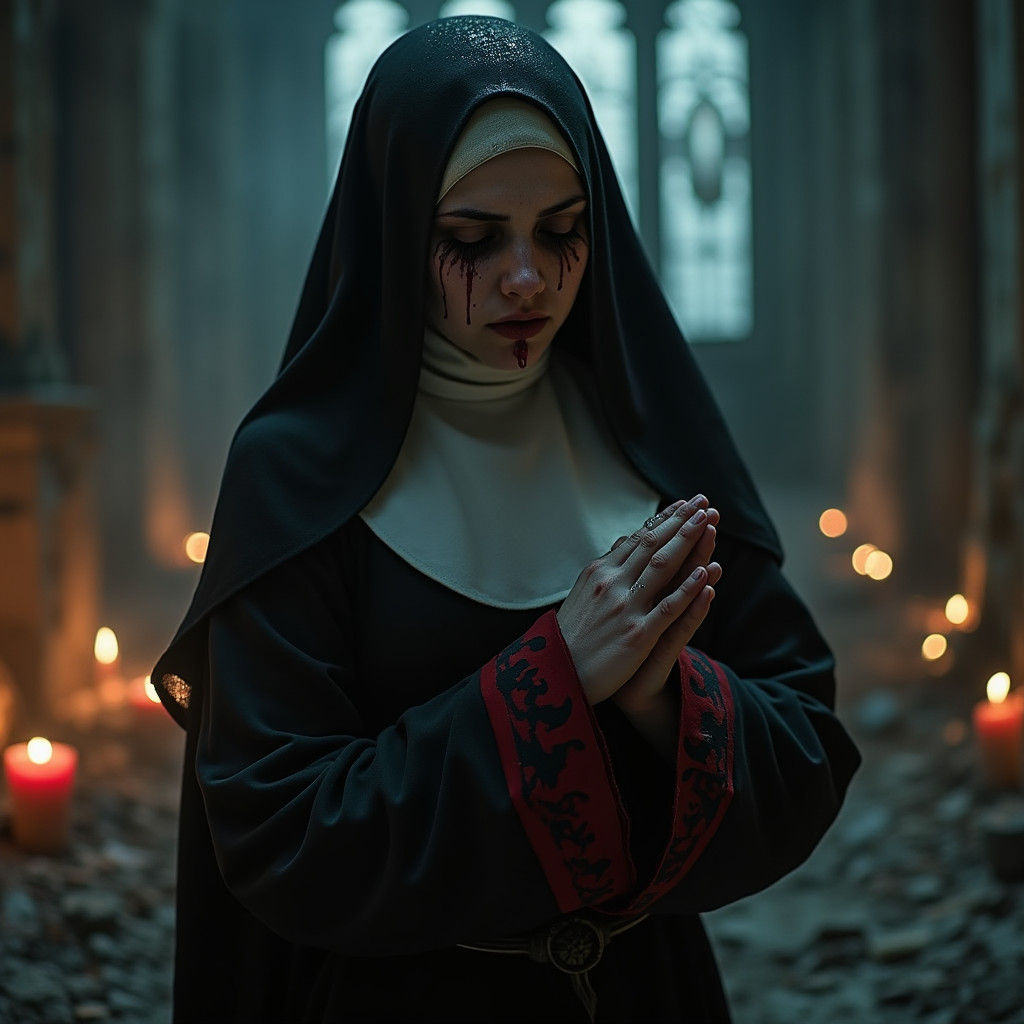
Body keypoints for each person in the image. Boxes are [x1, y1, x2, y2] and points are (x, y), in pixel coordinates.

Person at [151, 15, 861, 1024]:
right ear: (398, 233)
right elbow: (281, 832)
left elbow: (808, 749)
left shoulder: (648, 445)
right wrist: (556, 681)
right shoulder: (295, 477)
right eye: (473, 239)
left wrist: (664, 697)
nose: (527, 277)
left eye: (562, 230)